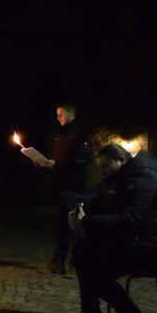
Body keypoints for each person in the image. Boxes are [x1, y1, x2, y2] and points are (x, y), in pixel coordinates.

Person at [69, 143, 157, 313]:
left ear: (121, 160)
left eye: (106, 166)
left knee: (92, 264)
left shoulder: (143, 179)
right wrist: (83, 205)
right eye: (100, 167)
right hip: (144, 243)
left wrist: (87, 221)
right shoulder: (124, 177)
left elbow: (130, 220)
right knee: (84, 252)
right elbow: (99, 194)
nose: (102, 171)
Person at [40, 102, 91, 274]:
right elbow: (53, 155)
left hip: (73, 187)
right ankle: (58, 261)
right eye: (57, 114)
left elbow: (82, 160)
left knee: (75, 227)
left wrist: (57, 164)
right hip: (58, 186)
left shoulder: (80, 133)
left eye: (61, 114)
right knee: (61, 227)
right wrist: (43, 162)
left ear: (70, 113)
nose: (58, 118)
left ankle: (77, 264)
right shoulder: (57, 134)